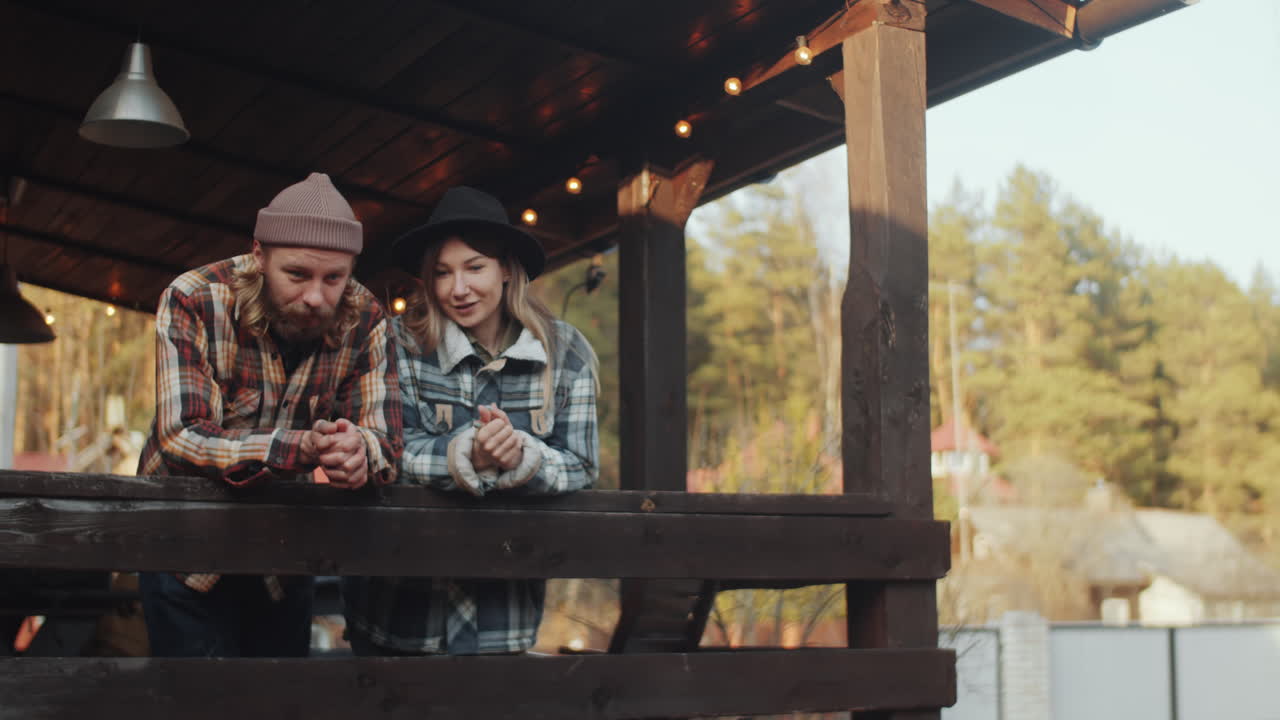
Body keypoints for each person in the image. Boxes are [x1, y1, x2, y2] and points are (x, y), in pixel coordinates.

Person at [135, 172, 403, 658]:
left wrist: (357, 452)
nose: (317, 297)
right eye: (297, 275)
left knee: (280, 704)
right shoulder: (193, 298)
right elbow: (182, 435)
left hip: (284, 555)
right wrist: (296, 447)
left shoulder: (367, 317)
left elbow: (385, 445)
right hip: (184, 551)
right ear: (259, 256)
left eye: (334, 278)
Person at [342, 186, 599, 656]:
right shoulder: (398, 342)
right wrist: (468, 456)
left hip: (502, 618)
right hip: (395, 613)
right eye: (442, 273)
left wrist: (523, 456)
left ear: (506, 270)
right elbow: (384, 450)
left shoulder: (566, 353)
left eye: (474, 267)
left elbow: (581, 464)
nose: (457, 289)